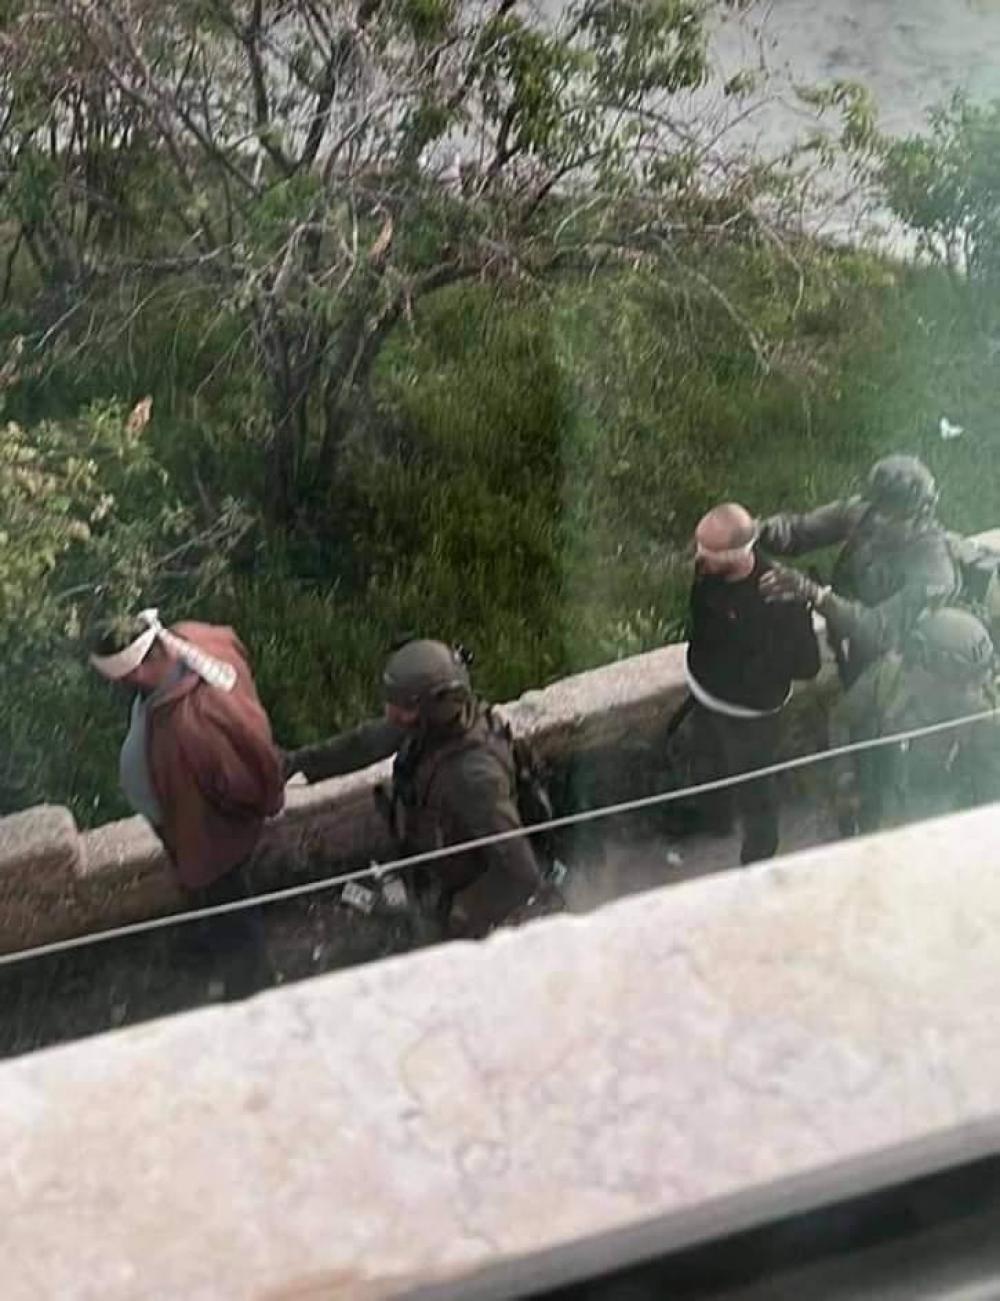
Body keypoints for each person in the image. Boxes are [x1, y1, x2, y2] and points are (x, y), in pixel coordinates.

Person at [283, 639, 548, 939]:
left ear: (434, 706)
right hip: (428, 868)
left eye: (403, 708)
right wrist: (296, 763)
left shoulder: (473, 777)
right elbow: (365, 743)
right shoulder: (432, 728)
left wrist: (457, 916)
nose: (391, 714)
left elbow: (521, 873)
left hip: (458, 896)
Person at [89, 608, 284, 998]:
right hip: (194, 819)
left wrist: (223, 821)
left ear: (133, 672)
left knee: (231, 907)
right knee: (220, 903)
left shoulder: (197, 724)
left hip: (211, 835)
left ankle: (253, 988)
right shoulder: (195, 638)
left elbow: (244, 783)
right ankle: (218, 948)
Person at [681, 502, 821, 865]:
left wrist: (754, 669)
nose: (698, 557)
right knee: (707, 764)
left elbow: (809, 664)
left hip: (750, 716)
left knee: (754, 790)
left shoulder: (781, 597)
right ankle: (715, 819)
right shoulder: (709, 572)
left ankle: (758, 860)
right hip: (706, 695)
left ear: (738, 554)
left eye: (708, 551)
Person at [757, 455, 960, 686]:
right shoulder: (866, 513)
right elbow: (801, 530)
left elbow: (878, 631)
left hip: (901, 661)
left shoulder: (933, 569)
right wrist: (761, 530)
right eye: (877, 509)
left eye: (889, 515)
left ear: (920, 516)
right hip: (851, 631)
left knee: (870, 698)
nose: (878, 520)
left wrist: (816, 595)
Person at [830, 606, 1000, 834]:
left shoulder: (984, 719)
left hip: (943, 824)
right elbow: (842, 720)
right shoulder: (888, 677)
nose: (973, 692)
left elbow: (990, 802)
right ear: (927, 660)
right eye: (965, 682)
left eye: (976, 682)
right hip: (880, 810)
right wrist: (845, 775)